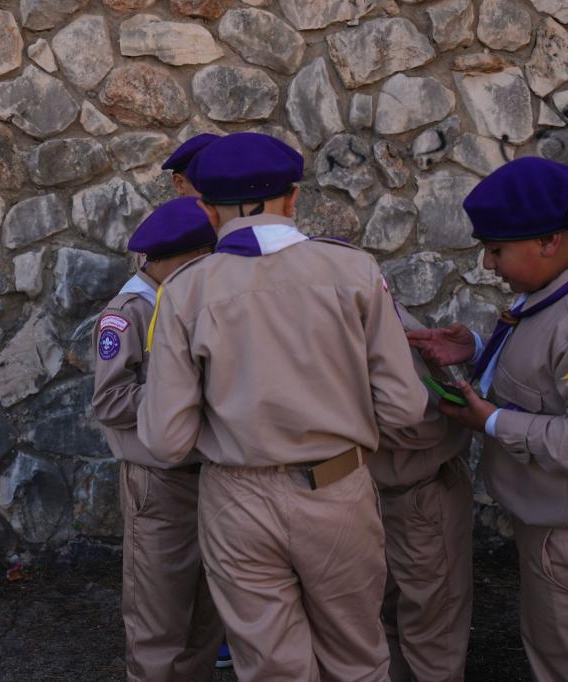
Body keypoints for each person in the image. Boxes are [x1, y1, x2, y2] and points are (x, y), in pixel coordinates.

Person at [137, 132, 428, 681]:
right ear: (293, 198)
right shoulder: (354, 271)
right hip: (337, 487)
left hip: (236, 496)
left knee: (270, 666)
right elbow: (405, 407)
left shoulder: (185, 290)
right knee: (358, 657)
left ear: (206, 208)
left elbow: (166, 439)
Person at [408, 156, 568, 682]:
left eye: (497, 249)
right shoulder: (561, 289)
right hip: (565, 523)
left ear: (549, 241)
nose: (486, 263)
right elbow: (556, 375)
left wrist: (493, 423)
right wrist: (477, 348)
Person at [92, 197, 223, 682]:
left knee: (205, 620)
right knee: (158, 621)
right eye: (208, 258)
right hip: (160, 484)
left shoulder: (188, 300)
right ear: (187, 258)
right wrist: (178, 388)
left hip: (209, 476)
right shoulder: (129, 311)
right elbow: (110, 402)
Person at [369, 305, 473, 682]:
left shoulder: (380, 321)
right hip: (382, 495)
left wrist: (347, 424)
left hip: (421, 494)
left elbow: (425, 424)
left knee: (433, 636)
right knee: (386, 622)